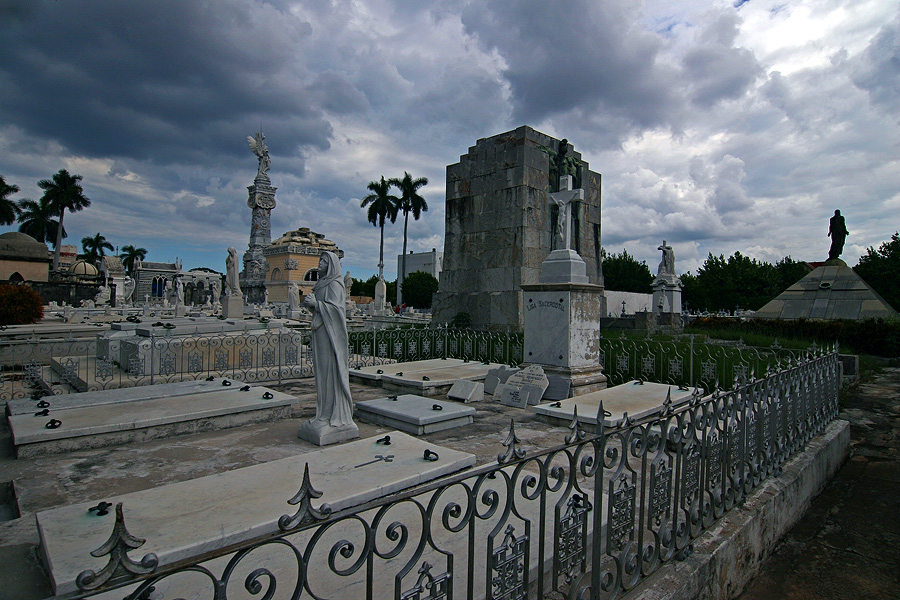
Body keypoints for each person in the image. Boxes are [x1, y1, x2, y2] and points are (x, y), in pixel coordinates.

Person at [301, 252, 354, 428]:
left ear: (331, 264)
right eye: (319, 260)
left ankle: (329, 414)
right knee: (321, 374)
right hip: (320, 332)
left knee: (328, 374)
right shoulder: (321, 283)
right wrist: (312, 306)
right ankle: (322, 413)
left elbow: (337, 311)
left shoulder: (335, 284)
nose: (319, 263)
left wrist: (316, 305)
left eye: (323, 260)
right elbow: (321, 310)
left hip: (330, 336)